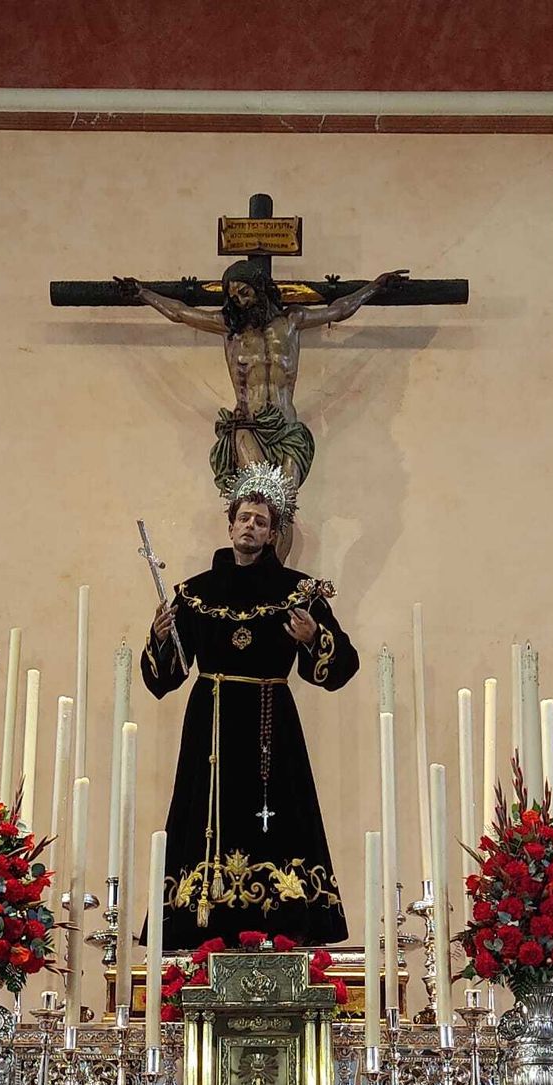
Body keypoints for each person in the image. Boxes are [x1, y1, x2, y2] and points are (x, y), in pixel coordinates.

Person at [142, 463, 359, 949]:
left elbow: (341, 665)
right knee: (203, 815)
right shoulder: (194, 594)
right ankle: (203, 924)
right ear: (231, 523)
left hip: (270, 724)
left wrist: (313, 637)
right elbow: (166, 675)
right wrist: (159, 640)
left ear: (273, 533)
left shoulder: (299, 592)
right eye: (244, 517)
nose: (251, 527)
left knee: (278, 817)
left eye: (262, 521)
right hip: (211, 724)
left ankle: (280, 924)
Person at [116, 260, 407, 557]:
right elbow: (180, 313)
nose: (240, 300)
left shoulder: (292, 321)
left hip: (286, 430)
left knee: (284, 507)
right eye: (234, 296)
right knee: (260, 498)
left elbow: (340, 309)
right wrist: (142, 293)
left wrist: (375, 287)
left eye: (245, 292)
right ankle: (254, 581)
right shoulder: (230, 328)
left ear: (261, 288)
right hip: (249, 427)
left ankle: (275, 585)